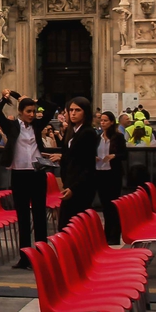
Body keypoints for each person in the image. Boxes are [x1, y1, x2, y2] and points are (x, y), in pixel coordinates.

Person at [0, 91, 51, 269]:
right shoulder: (12, 126)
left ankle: (42, 254)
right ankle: (25, 256)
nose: (32, 115)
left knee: (40, 215)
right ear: (20, 112)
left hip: (37, 173)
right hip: (19, 175)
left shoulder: (38, 125)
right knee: (23, 217)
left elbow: (52, 108)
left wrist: (37, 100)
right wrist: (6, 98)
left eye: (33, 111)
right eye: (28, 111)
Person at [53, 97, 101, 228]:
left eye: (77, 110)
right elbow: (70, 156)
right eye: (71, 110)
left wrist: (74, 188)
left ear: (85, 112)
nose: (73, 113)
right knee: (66, 224)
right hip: (70, 182)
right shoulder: (72, 131)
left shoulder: (88, 133)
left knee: (72, 225)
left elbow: (86, 164)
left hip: (81, 186)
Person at [92, 109, 129, 244]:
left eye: (105, 120)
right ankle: (106, 235)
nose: (102, 123)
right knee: (104, 205)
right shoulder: (97, 138)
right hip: (100, 172)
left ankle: (114, 236)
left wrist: (114, 156)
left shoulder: (118, 137)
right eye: (101, 120)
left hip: (113, 174)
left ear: (112, 122)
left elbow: (124, 155)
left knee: (113, 206)